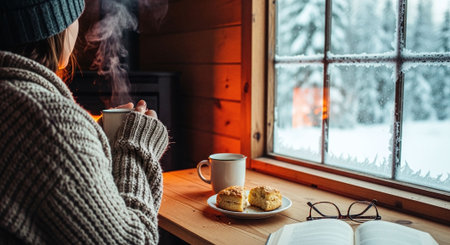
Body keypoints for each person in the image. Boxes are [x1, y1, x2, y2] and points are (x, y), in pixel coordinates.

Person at [0, 0, 169, 244]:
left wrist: (90, 149)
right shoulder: (51, 125)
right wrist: (135, 149)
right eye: (75, 16)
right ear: (56, 24)